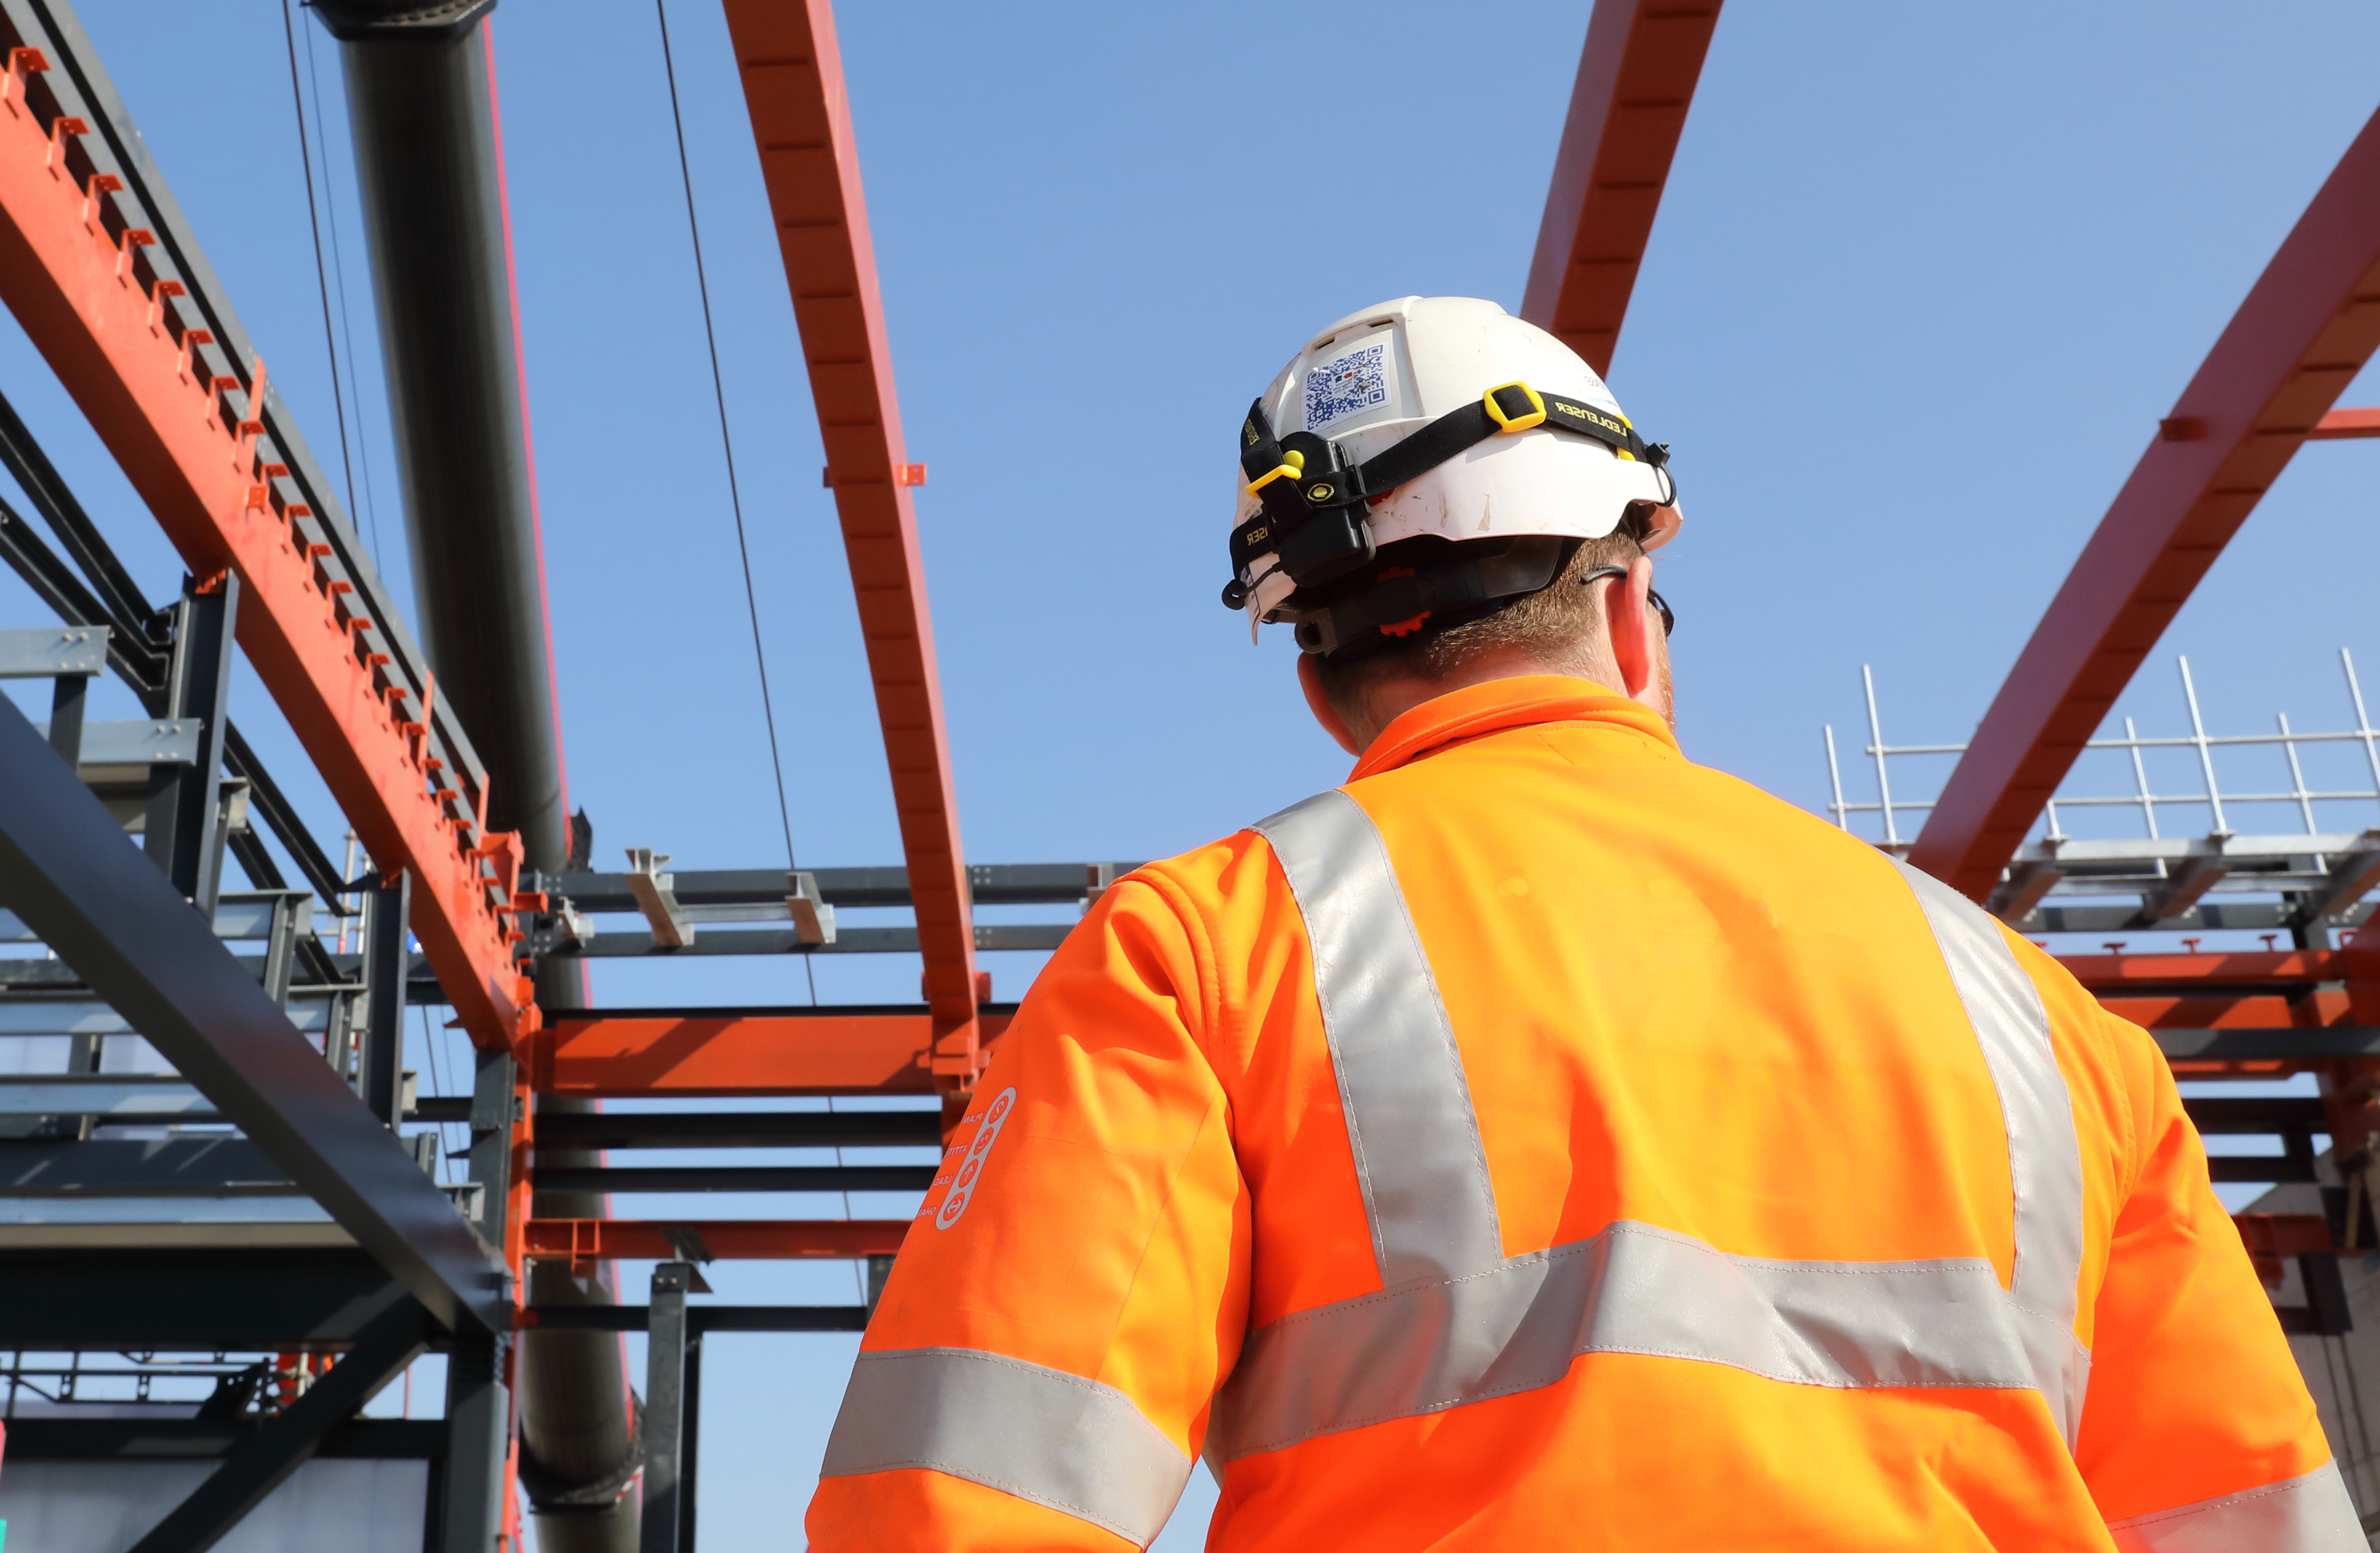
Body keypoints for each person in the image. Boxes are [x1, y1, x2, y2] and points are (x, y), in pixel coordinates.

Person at [806, 296, 2348, 1550]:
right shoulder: (2046, 1024)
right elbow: (2253, 1526)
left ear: (1317, 684)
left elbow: (953, 1515)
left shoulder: (1204, 950)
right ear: (1627, 616)